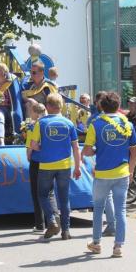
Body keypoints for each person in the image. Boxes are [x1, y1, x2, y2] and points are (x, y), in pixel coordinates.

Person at [83, 92, 136, 258]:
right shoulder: (127, 124)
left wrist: (96, 149)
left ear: (101, 106)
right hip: (122, 173)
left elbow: (87, 151)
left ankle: (96, 243)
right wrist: (131, 171)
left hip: (102, 174)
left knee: (98, 209)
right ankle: (118, 246)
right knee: (121, 210)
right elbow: (134, 152)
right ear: (119, 105)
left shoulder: (96, 124)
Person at [30, 93, 81, 240]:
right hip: (65, 165)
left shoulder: (41, 123)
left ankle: (52, 220)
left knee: (42, 194)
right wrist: (77, 167)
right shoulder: (69, 123)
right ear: (61, 106)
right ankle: (66, 231)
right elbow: (76, 147)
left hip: (46, 165)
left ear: (48, 106)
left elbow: (34, 145)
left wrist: (42, 148)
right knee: (64, 199)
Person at [25, 103, 60, 233]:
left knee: (36, 192)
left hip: (36, 160)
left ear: (34, 112)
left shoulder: (34, 125)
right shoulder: (52, 123)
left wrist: (29, 155)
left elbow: (30, 146)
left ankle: (40, 224)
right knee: (50, 191)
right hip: (50, 160)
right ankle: (54, 219)